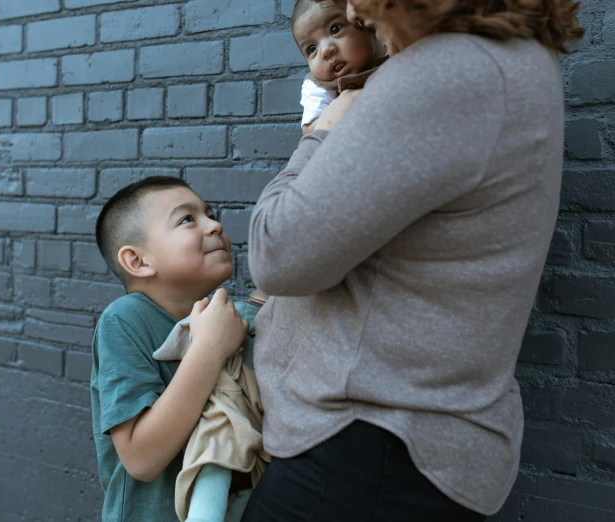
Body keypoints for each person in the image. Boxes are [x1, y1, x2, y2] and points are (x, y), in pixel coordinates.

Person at [243, 0, 584, 520]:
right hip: (395, 449)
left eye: (357, 7)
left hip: (366, 452)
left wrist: (321, 131)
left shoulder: (446, 73)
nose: (356, 12)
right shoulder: (511, 59)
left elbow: (277, 253)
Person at [89, 176, 260, 522]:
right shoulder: (125, 320)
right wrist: (209, 350)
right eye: (187, 220)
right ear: (137, 261)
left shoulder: (232, 319)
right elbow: (141, 459)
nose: (214, 225)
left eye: (211, 214)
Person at [292, 0, 387, 134]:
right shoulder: (319, 87)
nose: (325, 51)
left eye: (335, 29)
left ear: (366, 24)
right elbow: (310, 131)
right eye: (312, 48)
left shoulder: (395, 52)